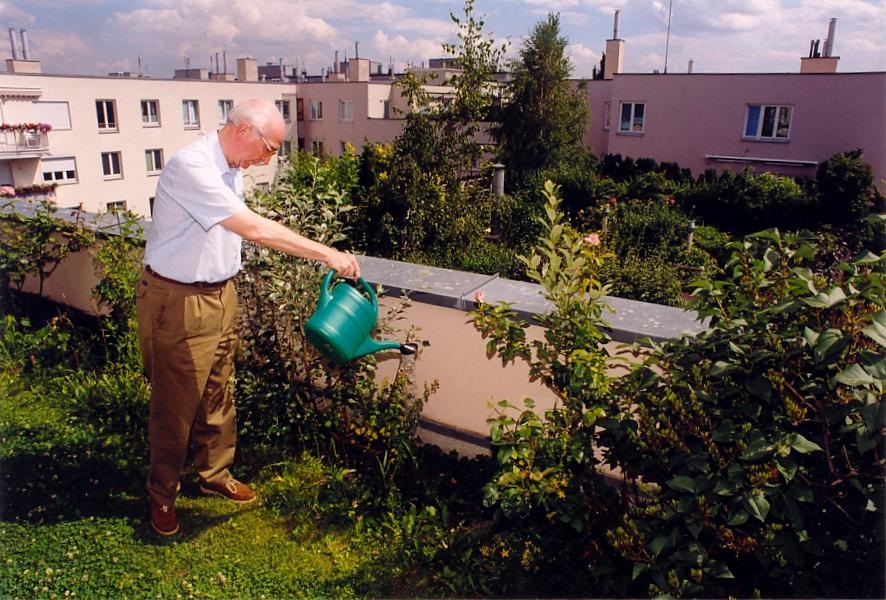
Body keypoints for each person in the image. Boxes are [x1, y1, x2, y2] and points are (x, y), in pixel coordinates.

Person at [136, 99, 360, 536]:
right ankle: (161, 496)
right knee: (176, 406)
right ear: (243, 131)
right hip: (181, 301)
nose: (269, 158)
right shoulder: (192, 167)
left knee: (219, 391)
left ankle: (215, 476)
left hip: (221, 295)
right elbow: (253, 228)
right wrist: (327, 254)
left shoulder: (230, 168)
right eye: (270, 147)